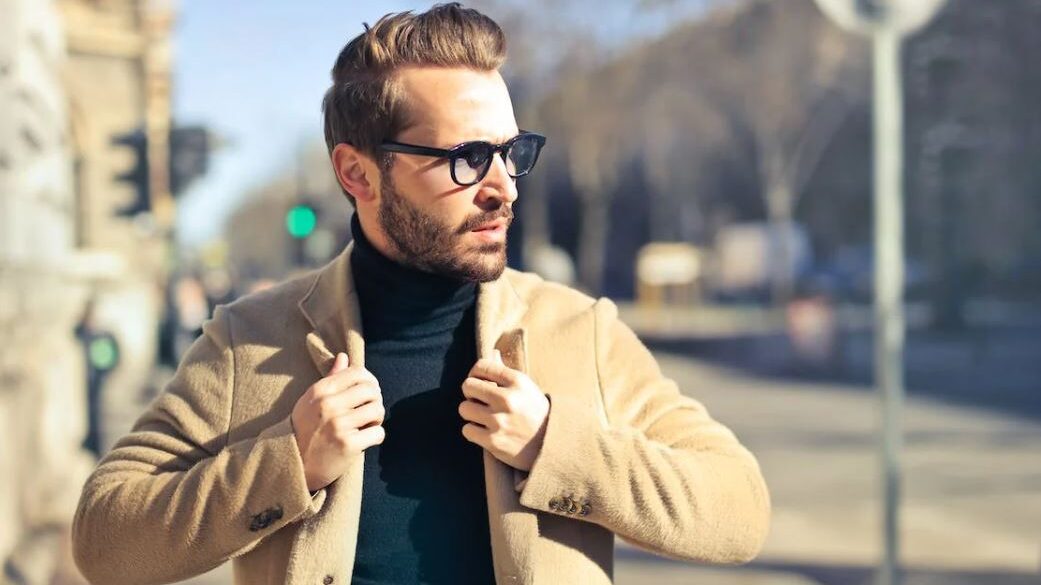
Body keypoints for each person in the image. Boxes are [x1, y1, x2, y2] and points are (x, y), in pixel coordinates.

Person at [71, 4, 770, 584]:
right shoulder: (250, 341)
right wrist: (286, 462)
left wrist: (559, 445)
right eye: (468, 158)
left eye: (511, 151)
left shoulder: (578, 329)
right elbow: (104, 538)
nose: (504, 185)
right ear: (359, 173)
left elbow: (737, 510)